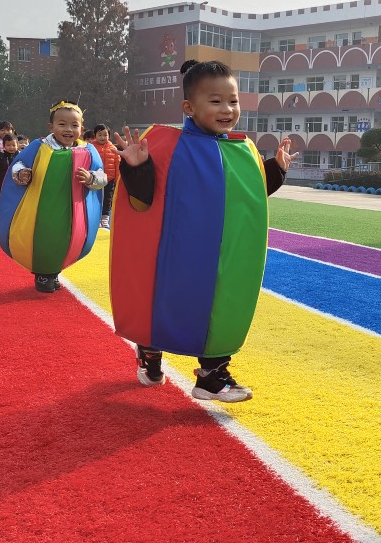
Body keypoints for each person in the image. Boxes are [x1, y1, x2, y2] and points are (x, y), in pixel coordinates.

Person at [111, 60, 297, 402]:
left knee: (223, 307)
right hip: (177, 253)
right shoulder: (168, 145)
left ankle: (212, 375)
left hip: (225, 254)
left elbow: (249, 197)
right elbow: (143, 200)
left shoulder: (242, 150)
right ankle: (149, 355)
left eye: (233, 101)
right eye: (215, 101)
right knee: (164, 303)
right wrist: (136, 168)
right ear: (189, 107)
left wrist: (275, 170)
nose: (227, 109)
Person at [0, 101, 107, 293]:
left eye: (74, 125)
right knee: (44, 236)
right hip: (43, 207)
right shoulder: (39, 147)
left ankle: (53, 271)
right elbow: (18, 164)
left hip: (74, 209)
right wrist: (21, 173)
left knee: (67, 238)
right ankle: (43, 273)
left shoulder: (88, 151)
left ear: (82, 129)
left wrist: (91, 178)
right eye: (62, 124)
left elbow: (102, 176)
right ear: (51, 127)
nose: (68, 129)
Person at [89, 124, 120, 228]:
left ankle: (105, 219)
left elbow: (117, 165)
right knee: (95, 199)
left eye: (105, 135)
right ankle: (96, 219)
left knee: (107, 199)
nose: (102, 137)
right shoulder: (91, 148)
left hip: (109, 179)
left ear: (109, 136)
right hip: (95, 179)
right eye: (100, 135)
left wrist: (117, 180)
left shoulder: (113, 148)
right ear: (95, 135)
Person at [0, 132, 19, 222]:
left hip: (16, 184)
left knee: (14, 200)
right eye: (8, 145)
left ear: (17, 145)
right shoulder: (0, 156)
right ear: (4, 146)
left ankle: (14, 216)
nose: (11, 147)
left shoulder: (20, 156)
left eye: (13, 145)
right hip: (2, 183)